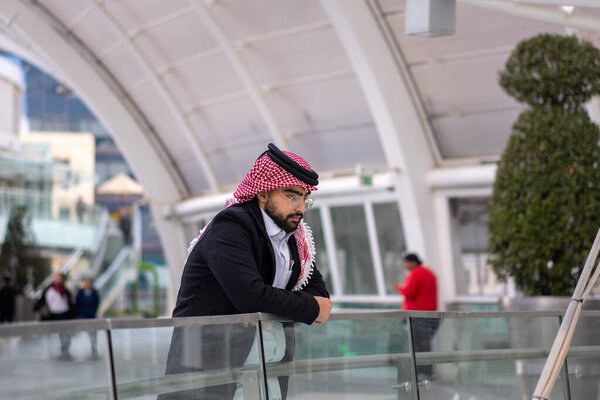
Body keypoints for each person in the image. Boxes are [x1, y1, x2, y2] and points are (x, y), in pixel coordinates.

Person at [163, 143, 331, 400]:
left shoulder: (296, 239)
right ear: (262, 194)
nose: (300, 207)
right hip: (211, 370)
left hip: (267, 370)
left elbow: (321, 296)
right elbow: (250, 296)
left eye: (305, 198)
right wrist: (306, 307)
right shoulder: (230, 227)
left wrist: (271, 303)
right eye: (291, 196)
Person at [394, 253, 439, 380]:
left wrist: (397, 287)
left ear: (413, 262)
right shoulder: (429, 273)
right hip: (430, 316)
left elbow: (409, 292)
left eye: (406, 262)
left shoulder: (415, 273)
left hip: (416, 316)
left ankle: (420, 374)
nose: (405, 265)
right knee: (425, 346)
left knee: (416, 346)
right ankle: (427, 373)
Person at [34, 272, 75, 360]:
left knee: (65, 333)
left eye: (59, 278)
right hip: (52, 315)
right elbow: (42, 301)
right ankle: (51, 351)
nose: (57, 279)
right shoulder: (49, 289)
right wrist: (38, 308)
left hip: (64, 314)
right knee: (51, 333)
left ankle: (65, 349)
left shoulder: (65, 291)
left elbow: (70, 303)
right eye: (56, 277)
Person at [75, 277, 101, 359]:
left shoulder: (95, 292)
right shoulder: (80, 292)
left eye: (89, 282)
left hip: (91, 315)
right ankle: (80, 348)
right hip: (82, 316)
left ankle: (93, 347)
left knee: (92, 333)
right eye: (86, 282)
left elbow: (97, 303)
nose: (87, 284)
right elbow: (77, 304)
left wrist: (93, 312)